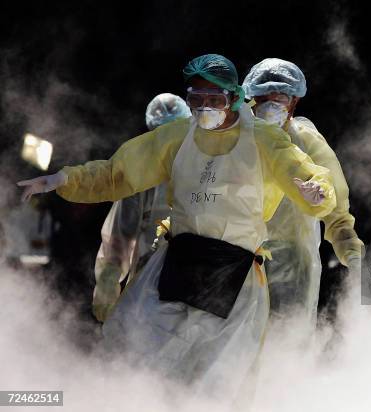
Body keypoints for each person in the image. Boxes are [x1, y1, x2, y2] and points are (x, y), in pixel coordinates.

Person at [17, 53, 337, 401]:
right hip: (174, 265)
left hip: (234, 277)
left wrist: (314, 190)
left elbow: (303, 174)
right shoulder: (177, 137)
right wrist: (63, 179)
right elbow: (117, 173)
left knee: (215, 380)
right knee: (136, 357)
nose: (204, 109)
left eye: (213, 100)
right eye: (195, 100)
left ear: (233, 97)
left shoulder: (263, 140)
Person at [242, 58, 363, 335]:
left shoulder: (305, 140)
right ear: (251, 97)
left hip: (293, 258)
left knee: (286, 338)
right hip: (238, 252)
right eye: (263, 97)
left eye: (281, 97)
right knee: (235, 340)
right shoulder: (235, 137)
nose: (271, 104)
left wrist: (346, 242)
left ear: (295, 101)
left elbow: (335, 195)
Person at [92, 93, 191, 322]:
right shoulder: (142, 177)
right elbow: (120, 235)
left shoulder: (207, 168)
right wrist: (109, 279)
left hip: (197, 287)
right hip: (149, 289)